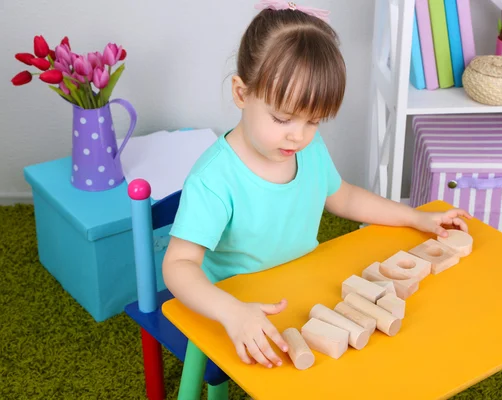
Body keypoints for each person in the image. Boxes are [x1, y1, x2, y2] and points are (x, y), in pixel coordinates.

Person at [163, 0, 471, 370]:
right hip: (238, 308)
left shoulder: (308, 151)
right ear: (242, 94)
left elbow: (344, 196)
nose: (298, 136)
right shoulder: (213, 180)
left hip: (304, 292)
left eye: (314, 122)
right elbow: (179, 265)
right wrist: (232, 312)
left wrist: (417, 219)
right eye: (283, 118)